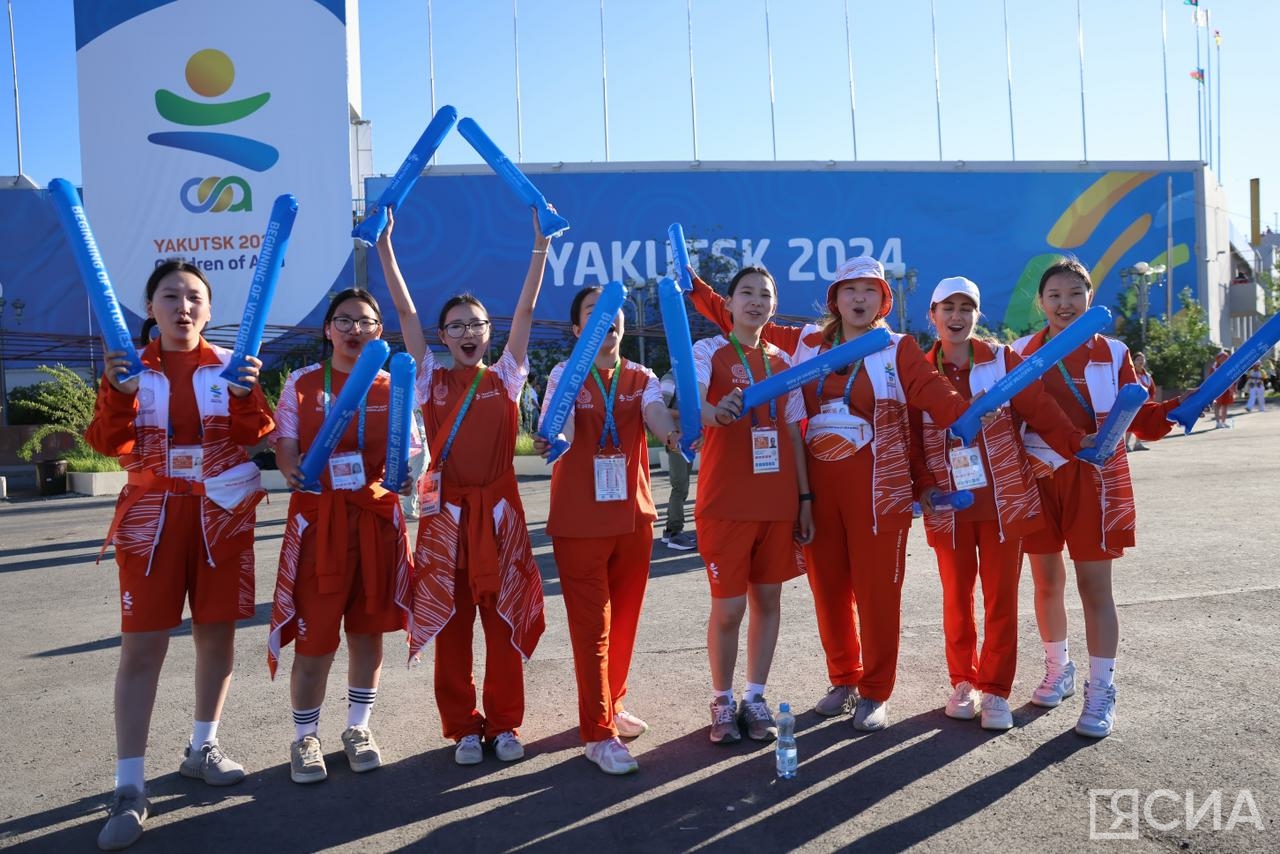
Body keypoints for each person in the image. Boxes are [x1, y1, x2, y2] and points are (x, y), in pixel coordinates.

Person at [689, 258, 971, 731]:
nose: (859, 299)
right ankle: (843, 678)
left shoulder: (896, 348)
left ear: (884, 300)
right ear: (834, 299)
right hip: (817, 491)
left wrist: (966, 416)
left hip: (878, 493)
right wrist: (694, 287)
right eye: (849, 290)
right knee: (829, 590)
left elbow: (931, 391)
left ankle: (875, 690)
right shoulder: (805, 344)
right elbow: (737, 316)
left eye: (869, 290)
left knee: (878, 592)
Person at [86, 260, 273, 850]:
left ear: (210, 311)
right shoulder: (129, 371)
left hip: (221, 518)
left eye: (195, 297)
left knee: (217, 637)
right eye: (171, 296)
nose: (183, 307)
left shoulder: (230, 366)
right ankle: (129, 785)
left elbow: (257, 435)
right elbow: (105, 443)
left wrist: (247, 396)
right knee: (142, 649)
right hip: (152, 522)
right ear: (151, 308)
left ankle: (202, 746)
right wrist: (118, 398)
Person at [382, 206, 550, 765]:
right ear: (442, 336)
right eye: (456, 325)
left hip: (501, 515)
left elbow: (526, 307)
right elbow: (404, 311)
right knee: (451, 627)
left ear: (489, 332)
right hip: (445, 517)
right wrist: (383, 246)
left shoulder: (507, 374)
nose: (468, 333)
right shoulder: (428, 375)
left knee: (503, 622)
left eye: (477, 324)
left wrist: (540, 249)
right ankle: (461, 728)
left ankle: (504, 725)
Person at [1013, 257, 1182, 738]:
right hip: (1039, 477)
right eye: (1055, 296)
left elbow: (1141, 414)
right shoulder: (1021, 351)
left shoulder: (1112, 351)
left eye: (1074, 294)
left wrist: (1179, 409)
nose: (1065, 304)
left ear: (1090, 297)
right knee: (1046, 582)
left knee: (1094, 588)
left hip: (1095, 480)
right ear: (1041, 303)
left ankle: (1101, 688)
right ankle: (1057, 668)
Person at [915, 277, 1088, 732]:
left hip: (1002, 501)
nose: (956, 316)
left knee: (1001, 599)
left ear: (977, 315)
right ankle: (963, 682)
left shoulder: (1001, 359)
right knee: (956, 598)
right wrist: (923, 486)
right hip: (949, 507)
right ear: (932, 315)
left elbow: (1041, 408)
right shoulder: (917, 368)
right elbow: (910, 435)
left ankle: (994, 690)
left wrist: (1076, 442)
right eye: (947, 308)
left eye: (966, 307)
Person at [267, 284, 413, 785]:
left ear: (379, 332)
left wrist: (412, 471)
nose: (355, 329)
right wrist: (290, 468)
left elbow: (412, 450)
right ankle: (305, 738)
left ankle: (357, 728)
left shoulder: (392, 385)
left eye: (366, 321)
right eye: (345, 320)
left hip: (374, 523)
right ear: (328, 330)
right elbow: (284, 442)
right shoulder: (302, 384)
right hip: (319, 525)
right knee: (315, 642)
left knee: (367, 635)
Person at [535, 286, 682, 774]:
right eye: (593, 313)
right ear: (578, 329)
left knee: (622, 625)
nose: (606, 320)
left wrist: (672, 432)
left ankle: (611, 704)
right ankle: (597, 735)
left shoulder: (639, 375)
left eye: (613, 313)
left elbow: (655, 413)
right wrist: (553, 436)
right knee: (592, 629)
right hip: (580, 523)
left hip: (632, 519)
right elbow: (563, 428)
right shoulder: (565, 374)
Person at [693, 266, 814, 745]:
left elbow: (791, 431)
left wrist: (804, 498)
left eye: (765, 295)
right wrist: (716, 414)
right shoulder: (709, 351)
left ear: (773, 305)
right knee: (728, 609)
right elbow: (693, 401)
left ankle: (754, 696)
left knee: (768, 600)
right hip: (727, 502)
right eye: (746, 293)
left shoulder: (783, 361)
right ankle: (721, 700)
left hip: (777, 502)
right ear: (728, 302)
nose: (756, 302)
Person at [659, 371, 696, 550]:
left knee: (682, 487)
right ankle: (675, 533)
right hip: (676, 440)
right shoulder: (670, 378)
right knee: (680, 487)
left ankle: (670, 531)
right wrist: (688, 414)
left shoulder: (685, 378)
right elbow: (660, 409)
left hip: (686, 441)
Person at [1125, 352, 1156, 451]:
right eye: (1138, 359)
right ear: (1133, 362)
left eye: (1142, 359)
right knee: (1131, 423)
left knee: (1142, 424)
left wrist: (1150, 400)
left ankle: (1138, 444)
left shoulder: (1147, 376)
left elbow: (1152, 389)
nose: (1141, 361)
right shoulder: (1130, 374)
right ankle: (1126, 445)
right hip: (1133, 403)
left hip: (1145, 404)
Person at [1210, 350, 1234, 428]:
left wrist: (1232, 389)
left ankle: (1223, 422)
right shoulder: (1214, 367)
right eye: (1223, 357)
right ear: (1218, 358)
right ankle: (1218, 422)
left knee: (1225, 405)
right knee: (1217, 405)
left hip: (1227, 389)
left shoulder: (1228, 366)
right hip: (1218, 389)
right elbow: (1211, 379)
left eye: (1226, 357)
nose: (1225, 359)